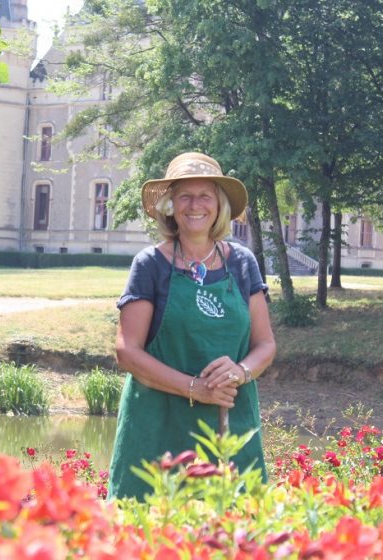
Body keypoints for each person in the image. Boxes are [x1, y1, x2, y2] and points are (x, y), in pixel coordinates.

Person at [108, 152, 276, 501]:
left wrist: (241, 372)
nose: (194, 205)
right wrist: (194, 388)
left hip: (230, 425)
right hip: (158, 428)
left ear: (219, 205)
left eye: (205, 196)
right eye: (185, 195)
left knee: (232, 537)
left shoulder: (242, 263)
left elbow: (266, 345)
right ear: (170, 205)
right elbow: (126, 350)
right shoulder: (150, 264)